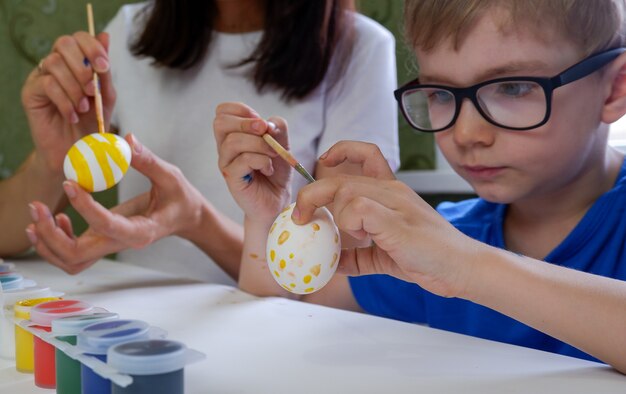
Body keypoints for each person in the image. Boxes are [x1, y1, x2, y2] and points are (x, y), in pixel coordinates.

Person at [209, 0, 626, 373]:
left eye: (512, 87)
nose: (466, 133)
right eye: (441, 94)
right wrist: (267, 217)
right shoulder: (442, 239)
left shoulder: (447, 249)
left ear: (614, 88)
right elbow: (284, 311)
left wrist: (465, 267)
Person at [17, 0, 400, 279]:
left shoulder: (360, 49)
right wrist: (52, 159)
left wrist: (195, 221)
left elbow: (335, 277)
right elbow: (7, 238)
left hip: (278, 338)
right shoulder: (130, 31)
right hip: (139, 326)